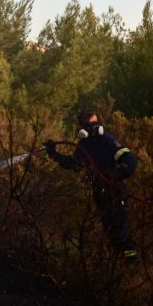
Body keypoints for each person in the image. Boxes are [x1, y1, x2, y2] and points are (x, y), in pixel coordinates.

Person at [44, 110, 139, 260]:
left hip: (115, 193)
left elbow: (130, 161)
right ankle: (116, 264)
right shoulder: (84, 144)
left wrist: (114, 176)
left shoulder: (108, 141)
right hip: (100, 194)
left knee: (120, 230)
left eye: (89, 125)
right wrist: (54, 154)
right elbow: (74, 164)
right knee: (109, 231)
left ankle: (131, 262)